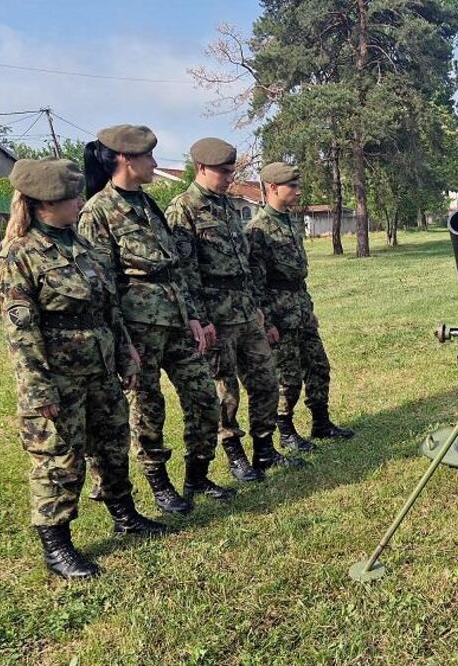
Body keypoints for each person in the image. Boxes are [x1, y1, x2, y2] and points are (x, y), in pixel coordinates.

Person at [0, 158, 165, 579]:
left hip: (100, 368)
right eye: (69, 198)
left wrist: (125, 353)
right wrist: (38, 391)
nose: (78, 202)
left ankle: (124, 514)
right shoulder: (20, 256)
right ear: (41, 204)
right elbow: (21, 333)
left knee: (111, 443)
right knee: (59, 458)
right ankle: (57, 546)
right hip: (57, 376)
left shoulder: (80, 244)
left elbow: (109, 309)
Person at [79, 124, 234, 511]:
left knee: (204, 399)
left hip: (177, 322)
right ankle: (159, 483)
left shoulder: (148, 205)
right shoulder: (97, 212)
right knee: (148, 409)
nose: (153, 163)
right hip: (138, 330)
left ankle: (197, 476)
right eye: (147, 156)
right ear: (124, 159)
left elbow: (176, 267)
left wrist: (195, 317)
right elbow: (104, 287)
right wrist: (122, 343)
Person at [166, 138, 302, 477]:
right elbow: (184, 272)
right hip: (215, 315)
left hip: (245, 310)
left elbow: (246, 265)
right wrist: (198, 317)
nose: (230, 177)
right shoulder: (182, 210)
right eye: (224, 172)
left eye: (232, 171)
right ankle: (234, 452)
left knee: (266, 382)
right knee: (226, 390)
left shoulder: (228, 207)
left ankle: (265, 449)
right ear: (201, 168)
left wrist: (257, 307)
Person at [246, 163, 354, 451]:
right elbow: (255, 284)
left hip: (300, 310)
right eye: (291, 186)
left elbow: (297, 275)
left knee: (319, 366)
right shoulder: (258, 229)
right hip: (279, 315)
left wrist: (309, 310)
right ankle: (286, 430)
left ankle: (321, 422)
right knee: (288, 378)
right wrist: (267, 322)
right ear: (272, 188)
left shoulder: (290, 222)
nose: (297, 190)